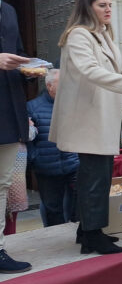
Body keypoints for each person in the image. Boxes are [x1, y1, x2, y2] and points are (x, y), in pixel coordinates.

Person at [50, 0, 122, 254]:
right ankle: (92, 234)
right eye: (102, 5)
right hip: (89, 117)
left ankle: (87, 230)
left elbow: (101, 69)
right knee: (94, 177)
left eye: (110, 5)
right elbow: (88, 70)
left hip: (102, 116)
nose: (108, 10)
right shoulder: (79, 35)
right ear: (88, 7)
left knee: (97, 176)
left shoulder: (101, 35)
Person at [0, 0, 33, 272]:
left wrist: (30, 68)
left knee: (1, 184)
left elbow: (19, 52)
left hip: (7, 108)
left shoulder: (9, 10)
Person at [27, 69, 79, 226]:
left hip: (73, 162)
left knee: (82, 199)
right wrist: (35, 158)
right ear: (49, 86)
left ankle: (81, 233)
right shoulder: (32, 107)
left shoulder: (73, 104)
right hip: (46, 166)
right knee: (52, 208)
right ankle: (55, 238)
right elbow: (28, 138)